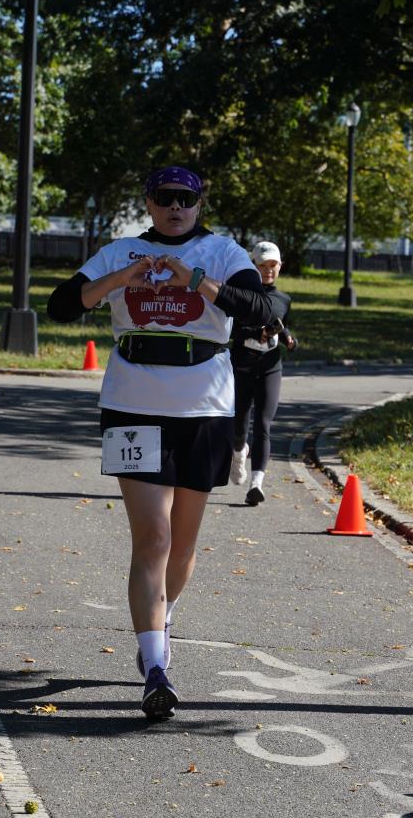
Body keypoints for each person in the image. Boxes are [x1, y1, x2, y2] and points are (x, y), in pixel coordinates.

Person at [47, 167, 273, 720]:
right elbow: (60, 306)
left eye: (185, 198)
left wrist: (194, 282)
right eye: (165, 198)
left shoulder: (222, 252)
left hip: (205, 407)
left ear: (199, 203)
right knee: (153, 538)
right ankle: (154, 669)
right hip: (133, 404)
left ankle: (162, 618)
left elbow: (262, 309)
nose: (176, 207)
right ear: (149, 202)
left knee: (183, 544)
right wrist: (121, 279)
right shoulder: (120, 252)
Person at [230, 240, 297, 505]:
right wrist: (255, 333)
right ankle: (239, 452)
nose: (268, 270)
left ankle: (257, 484)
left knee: (263, 424)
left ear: (280, 266)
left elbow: (283, 325)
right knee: (239, 425)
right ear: (252, 266)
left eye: (273, 265)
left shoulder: (284, 299)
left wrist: (288, 339)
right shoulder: (241, 294)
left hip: (270, 366)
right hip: (242, 365)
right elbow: (231, 330)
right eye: (262, 265)